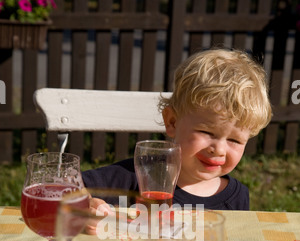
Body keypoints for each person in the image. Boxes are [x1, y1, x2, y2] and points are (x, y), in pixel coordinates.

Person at [82, 48, 272, 210]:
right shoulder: (135, 177)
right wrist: (87, 205)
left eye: (235, 140)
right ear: (172, 122)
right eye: (206, 132)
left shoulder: (237, 198)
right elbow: (66, 188)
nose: (219, 149)